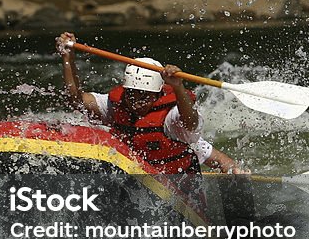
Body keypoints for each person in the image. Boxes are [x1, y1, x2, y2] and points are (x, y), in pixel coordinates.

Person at [55, 31, 246, 175]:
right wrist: (68, 58)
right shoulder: (115, 106)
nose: (137, 102)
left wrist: (178, 87)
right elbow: (76, 101)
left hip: (179, 188)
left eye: (144, 96)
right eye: (132, 94)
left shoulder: (171, 121)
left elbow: (192, 123)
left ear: (156, 96)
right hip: (139, 183)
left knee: (227, 165)